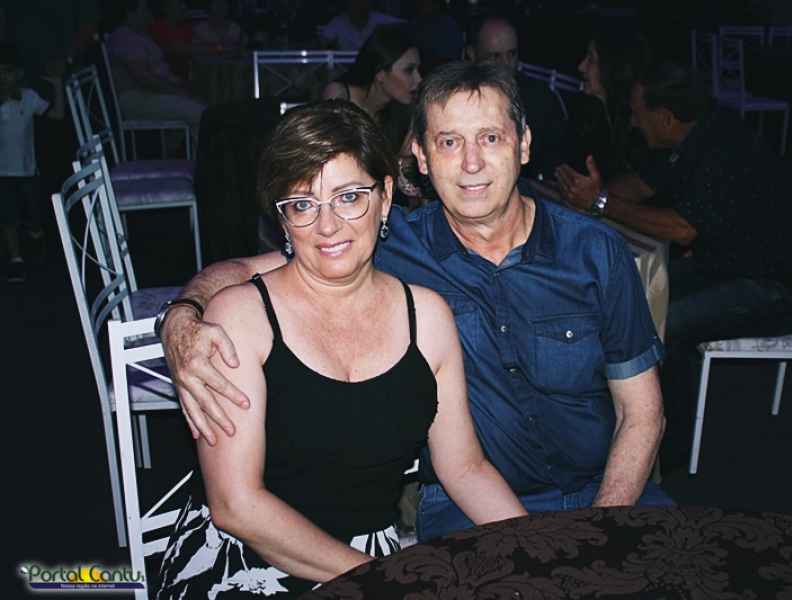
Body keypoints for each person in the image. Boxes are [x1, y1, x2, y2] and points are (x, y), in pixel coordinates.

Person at [158, 62, 670, 543]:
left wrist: (600, 530)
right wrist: (181, 320)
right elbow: (243, 273)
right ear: (421, 157)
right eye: (449, 142)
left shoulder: (593, 251)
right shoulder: (382, 242)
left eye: (490, 138)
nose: (471, 163)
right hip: (465, 506)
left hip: (608, 494)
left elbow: (643, 413)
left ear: (524, 144)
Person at [154, 100, 526, 597]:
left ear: (385, 197)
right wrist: (388, 582)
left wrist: (537, 547)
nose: (327, 226)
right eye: (303, 204)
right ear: (283, 220)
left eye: (349, 197)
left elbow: (464, 468)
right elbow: (236, 506)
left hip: (370, 557)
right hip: (242, 563)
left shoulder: (427, 318)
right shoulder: (241, 319)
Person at [557, 61, 792, 471]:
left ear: (665, 118)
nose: (633, 122)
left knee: (665, 322)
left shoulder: (723, 148)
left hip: (779, 287)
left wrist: (601, 203)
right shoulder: (695, 133)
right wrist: (588, 194)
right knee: (638, 292)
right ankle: (613, 416)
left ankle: (667, 451)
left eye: (638, 114)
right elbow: (643, 185)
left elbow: (682, 229)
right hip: (730, 265)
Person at [322, 24, 424, 206]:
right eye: (409, 70)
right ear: (381, 74)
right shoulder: (339, 95)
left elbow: (407, 190)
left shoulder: (405, 111)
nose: (418, 79)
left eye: (418, 70)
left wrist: (404, 161)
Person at [465, 16, 567, 181]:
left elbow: (556, 165)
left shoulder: (539, 99)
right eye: (495, 57)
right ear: (472, 54)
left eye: (511, 54)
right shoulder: (458, 102)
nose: (506, 64)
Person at [556, 29, 651, 184]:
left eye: (591, 59)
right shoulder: (594, 120)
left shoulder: (642, 129)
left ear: (613, 66)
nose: (581, 67)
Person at [106, 0, 205, 128]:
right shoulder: (124, 37)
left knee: (203, 106)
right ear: (131, 13)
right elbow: (144, 78)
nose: (148, 14)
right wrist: (177, 92)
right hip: (139, 98)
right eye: (144, 10)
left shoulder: (142, 35)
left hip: (155, 94)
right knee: (201, 113)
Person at [0, 43, 49, 284]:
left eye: (7, 71)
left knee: (33, 211)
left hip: (27, 168)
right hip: (3, 171)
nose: (3, 77)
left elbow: (54, 114)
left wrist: (57, 83)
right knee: (8, 214)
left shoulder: (29, 97)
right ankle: (15, 258)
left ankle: (36, 234)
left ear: (18, 73)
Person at [318, 0, 403, 52]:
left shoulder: (379, 19)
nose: (360, 4)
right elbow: (323, 43)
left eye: (364, 1)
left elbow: (403, 25)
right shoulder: (338, 22)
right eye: (356, 2)